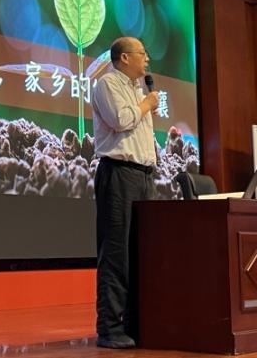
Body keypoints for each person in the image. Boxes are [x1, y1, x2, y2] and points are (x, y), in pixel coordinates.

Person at [91, 36, 161, 350]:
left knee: (141, 252)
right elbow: (120, 121)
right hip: (118, 174)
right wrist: (147, 104)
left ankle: (136, 323)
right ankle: (110, 328)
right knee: (117, 252)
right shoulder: (108, 84)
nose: (147, 59)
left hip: (143, 175)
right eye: (142, 53)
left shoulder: (136, 90)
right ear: (124, 58)